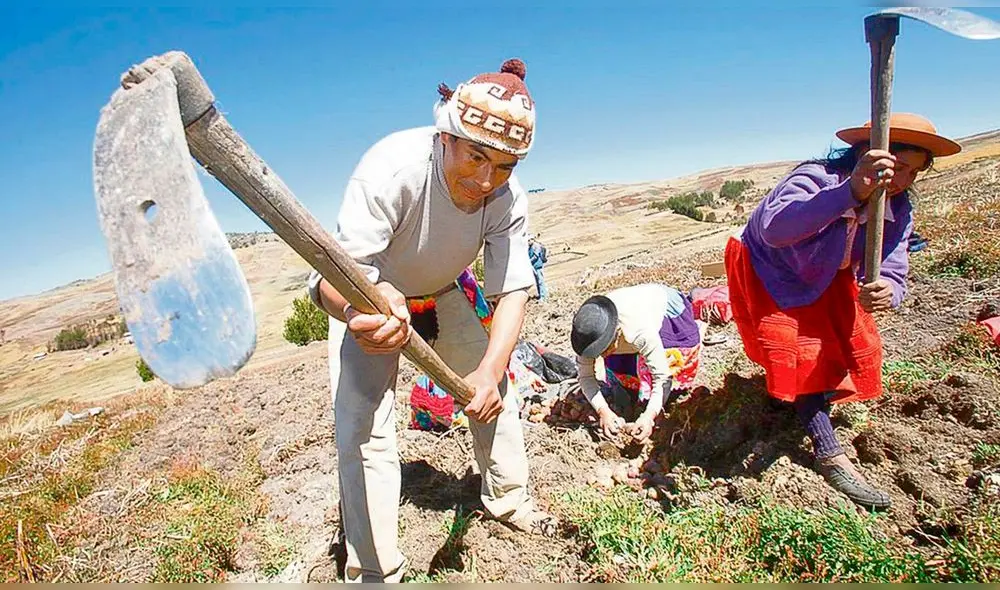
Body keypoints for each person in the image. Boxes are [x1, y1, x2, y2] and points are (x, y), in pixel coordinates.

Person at [308, 57, 555, 583]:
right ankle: (374, 570)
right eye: (476, 156)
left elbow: (512, 288)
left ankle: (509, 502)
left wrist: (489, 370)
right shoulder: (390, 170)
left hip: (443, 292)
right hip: (370, 301)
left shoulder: (506, 198)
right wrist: (359, 309)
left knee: (493, 394)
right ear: (447, 134)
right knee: (363, 431)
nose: (485, 179)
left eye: (506, 166)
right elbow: (328, 280)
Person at [724, 113, 961, 510]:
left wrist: (890, 288)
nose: (902, 182)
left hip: (827, 271)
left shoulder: (897, 207)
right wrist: (851, 192)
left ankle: (810, 399)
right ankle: (828, 451)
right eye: (897, 168)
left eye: (913, 174)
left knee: (848, 337)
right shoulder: (816, 178)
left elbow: (892, 262)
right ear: (867, 156)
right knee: (802, 349)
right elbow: (775, 229)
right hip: (776, 268)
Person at [570, 283, 703, 442]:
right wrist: (603, 411)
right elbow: (586, 378)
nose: (601, 355)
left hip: (666, 309)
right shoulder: (587, 334)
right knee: (620, 369)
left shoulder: (640, 332)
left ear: (617, 334)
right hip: (629, 311)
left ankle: (661, 401)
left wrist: (649, 416)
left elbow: (662, 377)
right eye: (597, 352)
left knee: (667, 364)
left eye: (605, 348)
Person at [528, 235, 549, 299]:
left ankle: (543, 296)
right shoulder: (530, 247)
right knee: (537, 281)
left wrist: (528, 261)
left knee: (540, 281)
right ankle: (540, 295)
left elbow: (535, 256)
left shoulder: (536, 246)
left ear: (532, 239)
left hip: (538, 265)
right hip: (534, 266)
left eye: (529, 240)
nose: (528, 242)